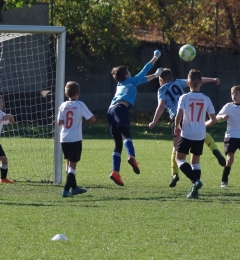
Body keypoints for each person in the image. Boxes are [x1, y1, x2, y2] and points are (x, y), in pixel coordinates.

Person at [149, 68, 225, 188]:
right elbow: (197, 80)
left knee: (177, 149)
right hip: (191, 114)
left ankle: (175, 174)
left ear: (160, 80)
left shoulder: (162, 90)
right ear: (172, 78)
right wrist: (212, 79)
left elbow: (161, 106)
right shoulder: (178, 82)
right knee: (196, 150)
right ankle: (215, 150)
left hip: (178, 115)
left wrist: (154, 121)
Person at [107, 50, 162, 186]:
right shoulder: (131, 80)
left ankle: (115, 172)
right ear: (126, 74)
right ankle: (131, 156)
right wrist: (155, 58)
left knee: (117, 144)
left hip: (110, 110)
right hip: (121, 109)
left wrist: (155, 76)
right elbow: (144, 70)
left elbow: (142, 79)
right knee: (127, 135)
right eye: (129, 72)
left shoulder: (121, 84)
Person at [174, 69, 217, 199]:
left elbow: (179, 115)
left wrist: (177, 126)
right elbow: (214, 120)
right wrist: (204, 125)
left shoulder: (184, 97)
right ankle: (194, 192)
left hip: (187, 133)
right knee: (195, 160)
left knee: (179, 158)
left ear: (188, 83)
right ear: (201, 83)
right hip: (200, 134)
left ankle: (195, 181)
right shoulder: (206, 99)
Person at [57, 81, 96, 197]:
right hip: (75, 139)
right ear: (78, 93)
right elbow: (92, 118)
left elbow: (60, 122)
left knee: (68, 162)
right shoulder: (80, 104)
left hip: (64, 138)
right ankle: (65, 190)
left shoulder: (62, 105)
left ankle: (74, 188)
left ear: (66, 93)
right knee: (73, 166)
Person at [0, 95, 15, 183]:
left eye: (2, 102)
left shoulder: (2, 114)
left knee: (4, 159)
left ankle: (3, 179)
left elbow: (11, 122)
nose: (1, 104)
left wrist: (10, 116)